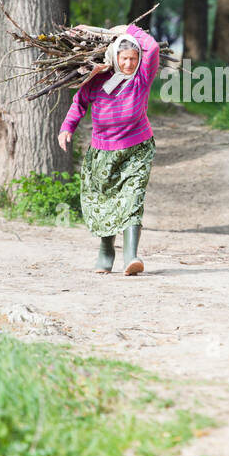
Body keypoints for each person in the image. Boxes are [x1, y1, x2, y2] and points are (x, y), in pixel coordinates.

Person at [57, 21, 159, 274]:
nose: (129, 64)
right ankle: (106, 251)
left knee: (133, 197)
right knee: (106, 201)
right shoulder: (98, 79)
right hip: (103, 151)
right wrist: (67, 127)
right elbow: (79, 102)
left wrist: (129, 29)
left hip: (137, 148)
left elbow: (153, 48)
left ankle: (131, 257)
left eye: (134, 58)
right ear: (115, 57)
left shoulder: (141, 78)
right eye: (124, 58)